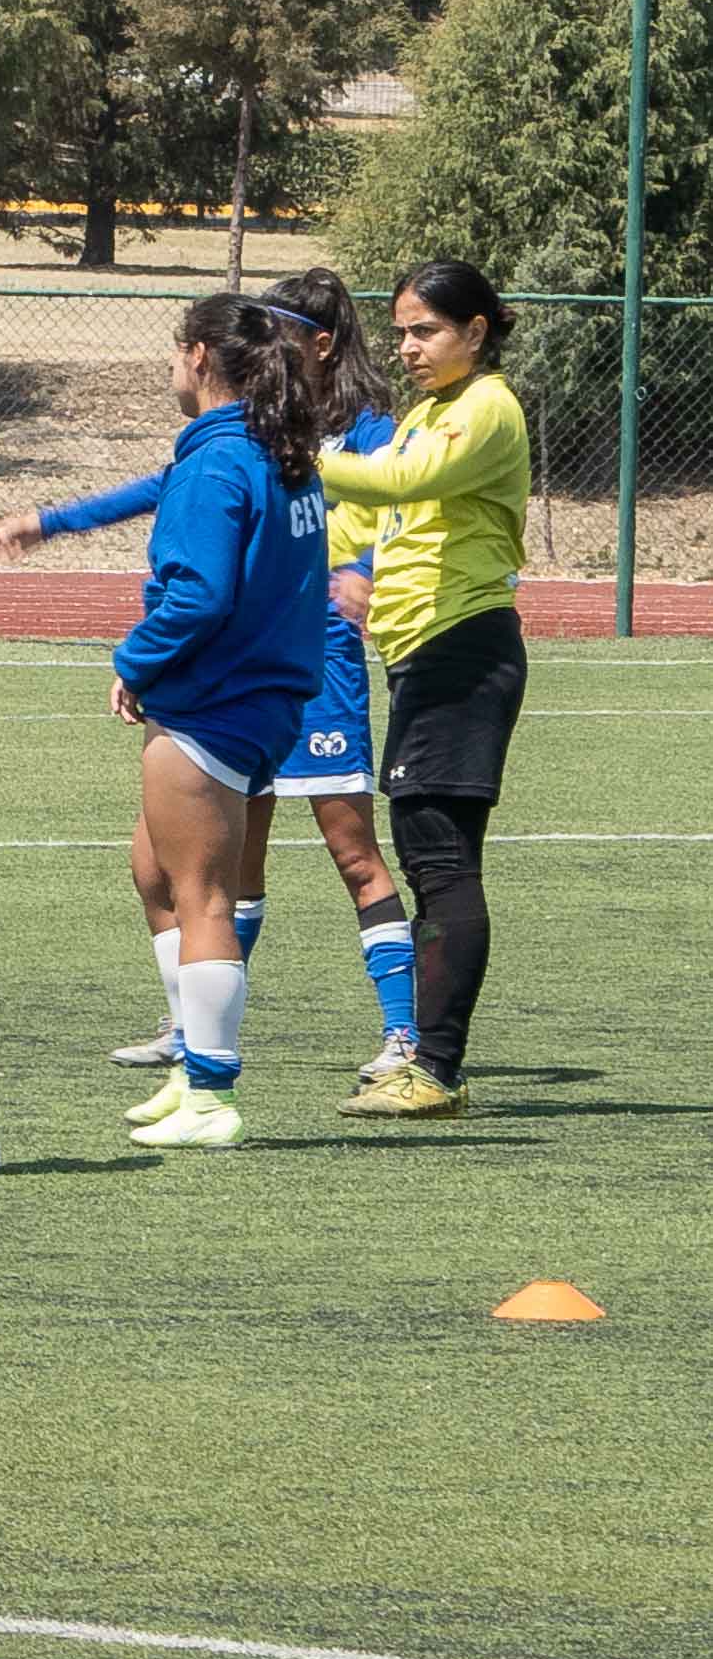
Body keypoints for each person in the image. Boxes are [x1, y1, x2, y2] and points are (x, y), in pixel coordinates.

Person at [0, 273, 421, 1084]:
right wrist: (50, 521)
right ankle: (198, 1031)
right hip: (253, 666)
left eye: (278, 328)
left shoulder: (352, 433)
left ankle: (400, 1033)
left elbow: (386, 505)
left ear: (316, 344)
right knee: (202, 869)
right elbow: (163, 489)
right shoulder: (254, 434)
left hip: (304, 665)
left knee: (349, 849)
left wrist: (360, 568)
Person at [96, 296, 332, 1150]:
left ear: (198, 357)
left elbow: (198, 594)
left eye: (172, 354)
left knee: (200, 896)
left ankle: (209, 1093)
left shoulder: (218, 463)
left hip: (214, 704)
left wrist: (133, 661)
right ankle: (189, 1063)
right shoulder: (277, 454)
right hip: (259, 700)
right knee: (154, 874)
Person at [321, 261, 532, 1119]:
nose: (407, 347)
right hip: (417, 657)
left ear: (475, 331)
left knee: (439, 862)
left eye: (426, 331)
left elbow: (405, 485)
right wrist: (318, 543)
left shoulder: (488, 406)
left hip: (463, 649)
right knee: (431, 856)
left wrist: (310, 455)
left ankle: (433, 1067)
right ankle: (427, 1062)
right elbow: (367, 518)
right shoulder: (420, 415)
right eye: (400, 331)